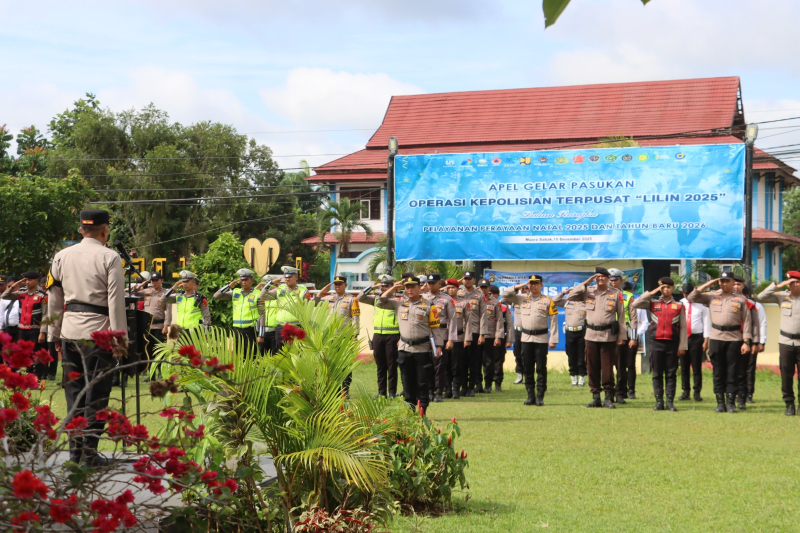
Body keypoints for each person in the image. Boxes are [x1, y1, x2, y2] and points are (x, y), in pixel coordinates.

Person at [47, 209, 128, 466]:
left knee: (74, 394)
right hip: (100, 332)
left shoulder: (61, 256)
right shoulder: (110, 257)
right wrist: (119, 340)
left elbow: (55, 300)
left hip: (70, 332)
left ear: (81, 229)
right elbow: (116, 302)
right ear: (105, 230)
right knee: (98, 394)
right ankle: (89, 454)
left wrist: (53, 335)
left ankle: (74, 453)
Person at [687, 272, 754, 413]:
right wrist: (710, 283)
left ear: (732, 282)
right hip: (717, 338)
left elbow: (747, 321)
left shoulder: (741, 299)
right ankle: (720, 403)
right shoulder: (712, 296)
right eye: (722, 281)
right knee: (718, 372)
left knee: (732, 371)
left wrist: (746, 341)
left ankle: (730, 403)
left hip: (734, 338)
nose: (724, 284)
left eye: (727, 281)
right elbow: (691, 297)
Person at [377, 276, 444, 412]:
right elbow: (380, 301)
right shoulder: (399, 304)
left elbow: (435, 328)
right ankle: (410, 411)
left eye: (413, 286)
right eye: (407, 287)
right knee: (407, 382)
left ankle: (422, 410)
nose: (410, 289)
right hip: (405, 349)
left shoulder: (429, 306)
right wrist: (394, 288)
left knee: (422, 382)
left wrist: (439, 346)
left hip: (422, 350)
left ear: (420, 288)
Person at [568, 267, 627, 409]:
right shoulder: (587, 292)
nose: (600, 279)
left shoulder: (615, 293)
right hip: (590, 335)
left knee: (607, 367)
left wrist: (622, 336)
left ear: (607, 278)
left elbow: (622, 316)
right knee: (592, 367)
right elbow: (571, 296)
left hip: (608, 336)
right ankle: (595, 396)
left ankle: (608, 397)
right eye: (597, 276)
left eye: (603, 276)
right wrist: (586, 283)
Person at [502, 275, 558, 406]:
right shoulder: (521, 299)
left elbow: (554, 321)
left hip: (541, 338)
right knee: (527, 368)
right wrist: (520, 286)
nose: (533, 286)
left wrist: (553, 339)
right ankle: (530, 395)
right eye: (531, 283)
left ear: (541, 285)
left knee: (540, 368)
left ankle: (540, 396)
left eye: (536, 283)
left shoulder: (547, 300)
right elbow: (504, 295)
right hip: (525, 338)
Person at [632, 277, 687, 411]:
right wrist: (652, 292)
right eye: (663, 287)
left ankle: (670, 402)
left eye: (668, 287)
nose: (665, 290)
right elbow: (635, 304)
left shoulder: (679, 305)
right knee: (657, 373)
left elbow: (684, 327)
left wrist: (682, 346)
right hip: (656, 342)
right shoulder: (653, 302)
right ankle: (659, 401)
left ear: (673, 288)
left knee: (671, 373)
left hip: (672, 343)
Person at [757, 272, 800, 415]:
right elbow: (761, 297)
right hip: (785, 341)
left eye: (797, 282)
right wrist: (777, 285)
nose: (794, 285)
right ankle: (789, 404)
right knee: (786, 375)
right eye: (791, 282)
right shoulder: (782, 296)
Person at [315, 275, 361, 394]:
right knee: (330, 363)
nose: (337, 286)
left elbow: (356, 319)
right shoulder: (328, 298)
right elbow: (314, 302)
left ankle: (345, 389)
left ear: (345, 285)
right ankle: (333, 390)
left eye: (340, 284)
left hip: (345, 338)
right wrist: (323, 290)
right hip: (330, 337)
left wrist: (354, 336)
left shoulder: (352, 300)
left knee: (345, 364)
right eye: (335, 284)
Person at [358, 275, 401, 398]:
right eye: (382, 286)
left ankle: (392, 392)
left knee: (392, 365)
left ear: (393, 287)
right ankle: (381, 392)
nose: (384, 288)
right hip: (378, 335)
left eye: (387, 286)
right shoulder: (376, 300)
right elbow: (361, 297)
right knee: (380, 366)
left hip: (393, 335)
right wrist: (372, 287)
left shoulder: (398, 299)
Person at [3, 271, 49, 380]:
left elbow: (46, 314)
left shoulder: (42, 295)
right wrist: (15, 285)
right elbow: (5, 296)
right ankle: (25, 376)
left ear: (37, 280)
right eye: (25, 280)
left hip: (35, 329)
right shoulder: (21, 292)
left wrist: (42, 332)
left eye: (29, 280)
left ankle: (36, 377)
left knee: (36, 354)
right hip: (22, 329)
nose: (27, 282)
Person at [421, 273, 457, 402]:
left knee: (440, 365)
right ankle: (430, 390)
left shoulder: (447, 300)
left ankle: (439, 391)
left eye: (433, 283)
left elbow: (453, 320)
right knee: (427, 364)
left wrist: (451, 339)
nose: (430, 285)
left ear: (439, 284)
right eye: (428, 283)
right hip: (426, 334)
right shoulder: (422, 298)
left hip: (441, 334)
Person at [258, 266, 310, 353]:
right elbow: (262, 296)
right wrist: (270, 283)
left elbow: (308, 310)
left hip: (296, 326)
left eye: (290, 277)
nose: (287, 279)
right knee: (281, 353)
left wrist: (307, 328)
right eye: (285, 277)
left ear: (296, 277)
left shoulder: (303, 291)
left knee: (297, 353)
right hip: (281, 327)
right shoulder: (280, 290)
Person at [213, 268, 264, 354]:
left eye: (246, 279)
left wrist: (261, 334)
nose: (243, 282)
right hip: (237, 330)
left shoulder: (258, 294)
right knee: (239, 355)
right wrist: (229, 286)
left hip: (251, 330)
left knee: (252, 355)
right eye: (242, 280)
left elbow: (262, 315)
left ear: (252, 280)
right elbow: (216, 296)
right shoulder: (235, 293)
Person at [130, 272, 168, 378]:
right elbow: (131, 292)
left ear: (162, 281)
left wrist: (166, 325)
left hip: (159, 326)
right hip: (147, 326)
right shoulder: (147, 291)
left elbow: (169, 310)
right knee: (148, 351)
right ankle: (151, 374)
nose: (154, 282)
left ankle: (161, 372)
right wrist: (141, 285)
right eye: (152, 280)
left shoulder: (165, 293)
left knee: (160, 351)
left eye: (156, 280)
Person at [608, 269, 638, 403]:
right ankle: (609, 393)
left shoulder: (628, 296)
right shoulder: (605, 294)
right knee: (607, 364)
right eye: (611, 280)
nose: (613, 282)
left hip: (623, 332)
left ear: (621, 280)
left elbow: (633, 318)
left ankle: (621, 393)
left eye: (615, 280)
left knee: (621, 365)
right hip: (607, 333)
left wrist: (633, 337)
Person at [733, 280, 762, 409]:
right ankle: (730, 396)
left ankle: (742, 398)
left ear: (743, 286)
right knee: (730, 370)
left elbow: (755, 324)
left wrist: (755, 342)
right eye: (733, 284)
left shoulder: (750, 304)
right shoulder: (724, 300)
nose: (735, 287)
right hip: (730, 339)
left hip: (745, 340)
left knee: (743, 371)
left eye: (738, 284)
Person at [679, 282, 710, 402]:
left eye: (689, 293)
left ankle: (697, 392)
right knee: (684, 367)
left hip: (696, 339)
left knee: (696, 367)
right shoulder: (680, 303)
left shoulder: (702, 305)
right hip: (683, 338)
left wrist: (706, 340)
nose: (687, 296)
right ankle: (685, 391)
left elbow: (707, 323)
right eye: (685, 293)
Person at [457, 271, 485, 397]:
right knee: (461, 361)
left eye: (469, 279)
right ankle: (463, 386)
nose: (466, 281)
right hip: (460, 331)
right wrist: (456, 283)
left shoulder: (479, 295)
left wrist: (482, 334)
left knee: (473, 361)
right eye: (465, 279)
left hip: (474, 331)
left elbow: (483, 315)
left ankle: (471, 387)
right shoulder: (458, 293)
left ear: (474, 280)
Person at [553, 286, 587, 386]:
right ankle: (573, 377)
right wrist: (564, 292)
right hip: (570, 332)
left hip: (582, 332)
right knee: (571, 355)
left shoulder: (586, 303)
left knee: (582, 355)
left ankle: (582, 377)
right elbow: (554, 301)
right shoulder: (567, 302)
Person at [739, 284, 767, 405]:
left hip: (751, 339)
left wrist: (761, 342)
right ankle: (738, 393)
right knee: (737, 368)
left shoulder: (756, 305)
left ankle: (749, 393)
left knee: (749, 368)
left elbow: (761, 323)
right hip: (736, 339)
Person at [445, 278, 472, 399]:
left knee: (457, 364)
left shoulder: (464, 303)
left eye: (453, 288)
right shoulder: (442, 301)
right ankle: (447, 388)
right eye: (448, 288)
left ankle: (456, 388)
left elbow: (468, 321)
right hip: (444, 337)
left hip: (459, 337)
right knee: (445, 364)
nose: (450, 290)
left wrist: (468, 338)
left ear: (457, 289)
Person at [478, 280, 503, 394]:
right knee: (475, 361)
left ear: (489, 288)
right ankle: (477, 384)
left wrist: (498, 336)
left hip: (490, 335)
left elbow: (499, 321)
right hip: (475, 335)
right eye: (481, 287)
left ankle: (488, 384)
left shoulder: (495, 302)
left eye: (485, 287)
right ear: (478, 288)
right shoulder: (473, 300)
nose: (483, 289)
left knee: (489, 361)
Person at [490, 285, 513, 392]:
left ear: (498, 295)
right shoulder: (483, 305)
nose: (491, 296)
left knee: (499, 361)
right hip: (487, 336)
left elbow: (509, 324)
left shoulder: (504, 306)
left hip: (500, 337)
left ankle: (498, 383)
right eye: (490, 294)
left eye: (493, 294)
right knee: (486, 361)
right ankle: (486, 383)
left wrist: (509, 340)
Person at [257, 275, 279, 355]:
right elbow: (261, 315)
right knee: (262, 355)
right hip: (264, 331)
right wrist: (261, 333)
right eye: (267, 285)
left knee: (275, 355)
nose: (270, 288)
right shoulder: (262, 297)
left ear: (276, 285)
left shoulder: (279, 296)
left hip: (276, 331)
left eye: (271, 285)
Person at [0, 275, 20, 340]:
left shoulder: (23, 295)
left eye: (13, 286)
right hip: (7, 327)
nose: (11, 288)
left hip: (20, 328)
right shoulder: (4, 298)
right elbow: (1, 313)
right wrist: (0, 328)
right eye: (9, 286)